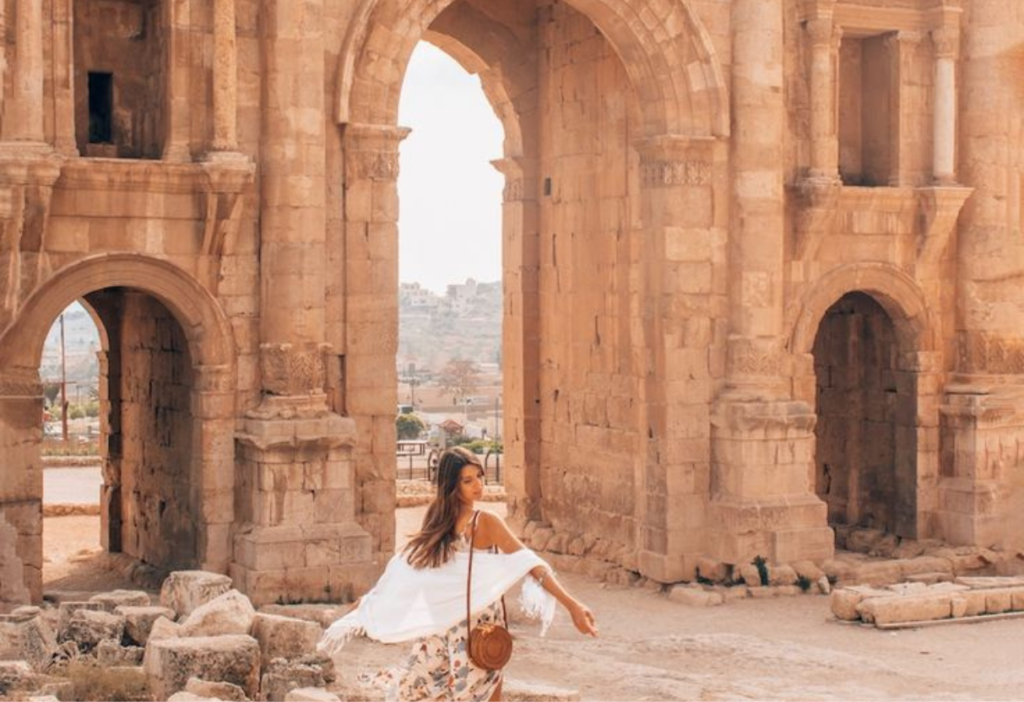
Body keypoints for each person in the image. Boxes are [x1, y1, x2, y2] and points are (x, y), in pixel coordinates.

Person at [319, 446, 598, 702]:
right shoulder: (483, 521)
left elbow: (405, 575)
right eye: (468, 480)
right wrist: (573, 605)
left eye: (479, 476)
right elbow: (530, 563)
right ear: (452, 486)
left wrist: (361, 608)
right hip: (479, 632)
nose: (478, 485)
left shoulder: (435, 520)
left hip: (442, 630)